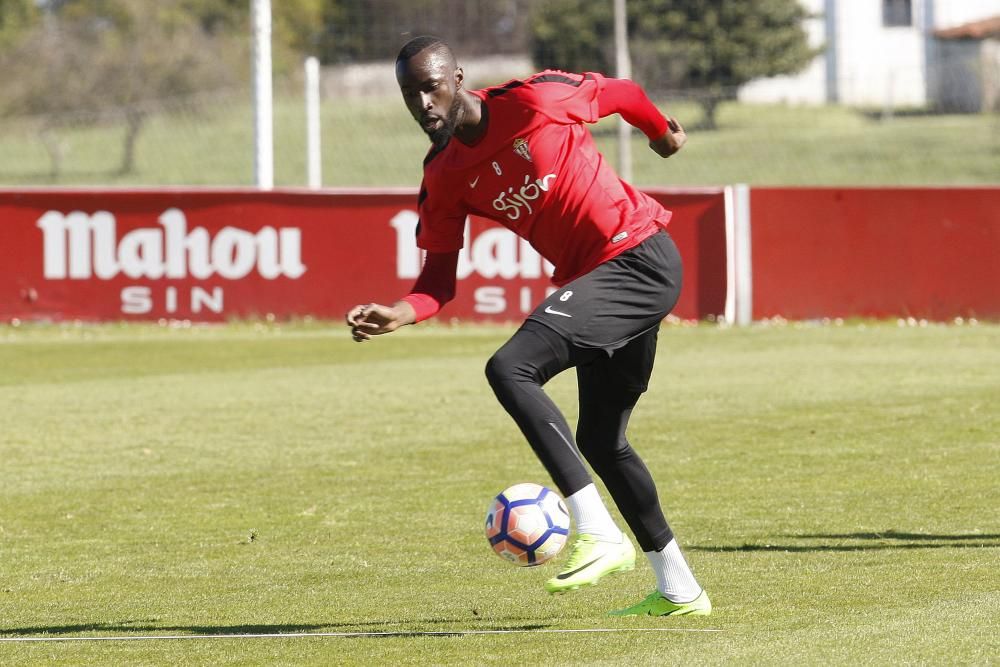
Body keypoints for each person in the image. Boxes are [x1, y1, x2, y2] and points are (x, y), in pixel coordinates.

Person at [346, 35, 710, 617]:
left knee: (510, 367)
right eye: (409, 94)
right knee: (600, 440)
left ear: (457, 77)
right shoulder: (443, 175)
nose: (422, 104)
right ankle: (681, 588)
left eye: (430, 86)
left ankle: (597, 530)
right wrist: (400, 311)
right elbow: (438, 281)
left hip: (638, 256)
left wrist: (660, 132)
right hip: (601, 282)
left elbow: (620, 92)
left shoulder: (532, 101)